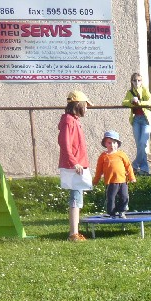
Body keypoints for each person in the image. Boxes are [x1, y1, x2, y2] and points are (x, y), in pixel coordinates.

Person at [58, 90, 92, 242]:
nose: (87, 108)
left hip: (79, 164)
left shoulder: (74, 120)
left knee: (78, 198)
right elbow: (65, 144)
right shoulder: (68, 121)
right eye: (86, 105)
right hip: (74, 165)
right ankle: (73, 234)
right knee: (75, 198)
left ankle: (75, 232)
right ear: (78, 104)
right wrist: (74, 162)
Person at [92, 130, 136, 218]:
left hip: (122, 181)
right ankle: (111, 213)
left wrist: (132, 177)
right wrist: (95, 180)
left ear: (117, 144)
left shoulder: (121, 154)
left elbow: (128, 166)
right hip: (111, 182)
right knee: (111, 197)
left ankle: (122, 211)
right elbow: (99, 170)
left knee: (124, 196)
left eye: (114, 143)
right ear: (105, 144)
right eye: (109, 143)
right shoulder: (103, 156)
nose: (112, 145)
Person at [121, 73, 151, 176]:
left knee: (142, 143)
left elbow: (150, 102)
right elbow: (124, 102)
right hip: (136, 120)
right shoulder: (130, 92)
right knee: (139, 145)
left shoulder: (144, 90)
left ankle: (134, 166)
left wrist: (139, 102)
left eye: (139, 80)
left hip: (146, 119)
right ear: (132, 82)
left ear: (141, 81)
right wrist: (131, 101)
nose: (137, 83)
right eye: (134, 80)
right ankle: (144, 169)